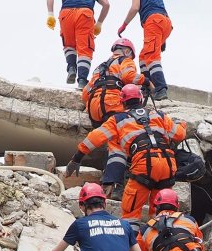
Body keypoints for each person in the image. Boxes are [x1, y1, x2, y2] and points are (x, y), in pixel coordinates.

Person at [67, 84, 186, 222]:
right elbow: (179, 134)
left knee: (131, 214)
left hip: (144, 165)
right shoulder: (158, 115)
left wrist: (77, 158)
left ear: (122, 102)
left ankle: (132, 240)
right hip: (168, 164)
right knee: (162, 213)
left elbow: (94, 138)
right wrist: (182, 124)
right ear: (141, 99)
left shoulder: (118, 120)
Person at [81, 38, 146, 128]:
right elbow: (128, 76)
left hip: (93, 109)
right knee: (127, 132)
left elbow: (84, 95)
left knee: (102, 135)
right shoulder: (125, 60)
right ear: (127, 51)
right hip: (112, 104)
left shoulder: (100, 68)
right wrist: (146, 81)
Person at [115, 0, 173, 100]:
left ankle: (160, 89)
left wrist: (124, 25)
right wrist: (162, 40)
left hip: (153, 21)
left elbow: (135, 8)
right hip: (165, 22)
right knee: (144, 56)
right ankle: (147, 87)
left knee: (152, 57)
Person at [47, 0, 111, 85]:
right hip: (84, 14)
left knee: (69, 45)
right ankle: (82, 79)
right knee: (85, 49)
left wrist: (50, 15)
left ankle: (71, 67)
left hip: (65, 14)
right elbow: (106, 5)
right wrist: (99, 24)